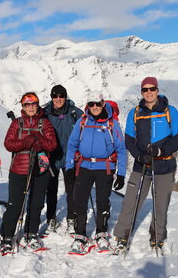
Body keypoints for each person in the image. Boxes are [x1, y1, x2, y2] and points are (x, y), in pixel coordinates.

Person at [112, 77, 178, 255]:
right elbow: (129, 139)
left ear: (157, 90)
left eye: (152, 89)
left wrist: (161, 151)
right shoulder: (135, 113)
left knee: (161, 204)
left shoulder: (170, 111)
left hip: (165, 165)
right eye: (145, 90)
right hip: (141, 166)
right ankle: (122, 237)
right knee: (131, 201)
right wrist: (139, 156)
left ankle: (158, 237)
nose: (149, 92)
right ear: (141, 92)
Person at [65, 91, 127, 255]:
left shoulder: (112, 123)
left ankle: (101, 233)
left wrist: (121, 173)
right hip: (84, 167)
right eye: (91, 104)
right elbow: (72, 145)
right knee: (80, 201)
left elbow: (121, 149)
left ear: (102, 104)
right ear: (88, 105)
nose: (94, 107)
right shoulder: (82, 121)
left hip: (104, 168)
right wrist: (70, 167)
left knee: (102, 201)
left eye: (97, 104)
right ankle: (80, 236)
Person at [0, 92, 57, 255]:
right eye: (27, 104)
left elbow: (52, 145)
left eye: (33, 104)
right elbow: (8, 143)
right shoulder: (17, 123)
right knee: (15, 204)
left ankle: (31, 233)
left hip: (40, 170)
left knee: (36, 203)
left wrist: (40, 141)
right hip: (19, 170)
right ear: (23, 107)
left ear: (38, 105)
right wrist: (26, 142)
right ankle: (7, 237)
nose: (31, 107)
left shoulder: (44, 123)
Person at [43, 84, 83, 234]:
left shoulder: (75, 113)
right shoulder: (45, 113)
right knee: (51, 189)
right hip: (51, 157)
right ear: (52, 97)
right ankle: (51, 218)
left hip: (70, 157)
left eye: (61, 96)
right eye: (55, 96)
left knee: (71, 189)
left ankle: (71, 219)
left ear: (66, 97)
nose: (58, 99)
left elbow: (86, 128)